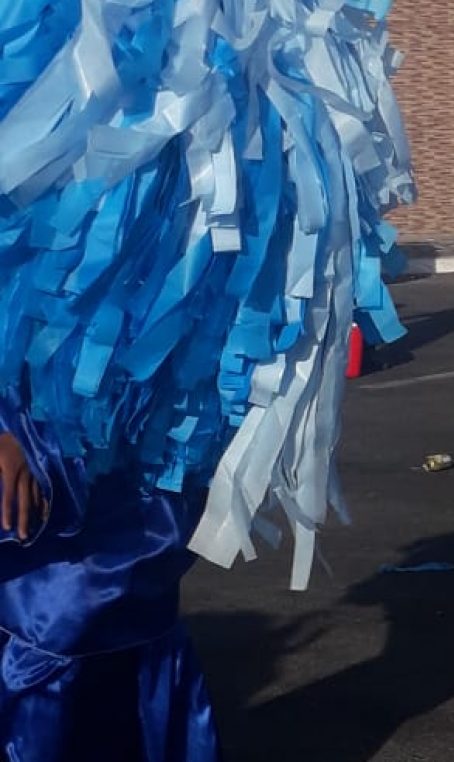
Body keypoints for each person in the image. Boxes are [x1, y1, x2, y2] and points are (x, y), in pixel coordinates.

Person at [0, 1, 414, 758]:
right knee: (62, 614)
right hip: (40, 416)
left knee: (137, 604)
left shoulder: (285, 29)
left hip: (178, 417)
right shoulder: (57, 20)